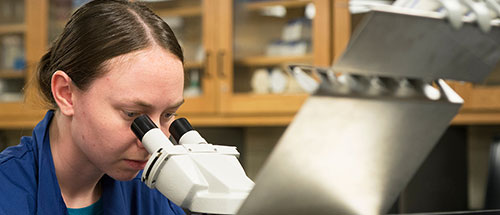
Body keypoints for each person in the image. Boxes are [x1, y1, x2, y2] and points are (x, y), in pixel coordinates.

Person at [0, 0, 186, 214]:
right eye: (132, 114)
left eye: (168, 114)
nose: (156, 143)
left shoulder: (152, 194)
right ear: (66, 94)